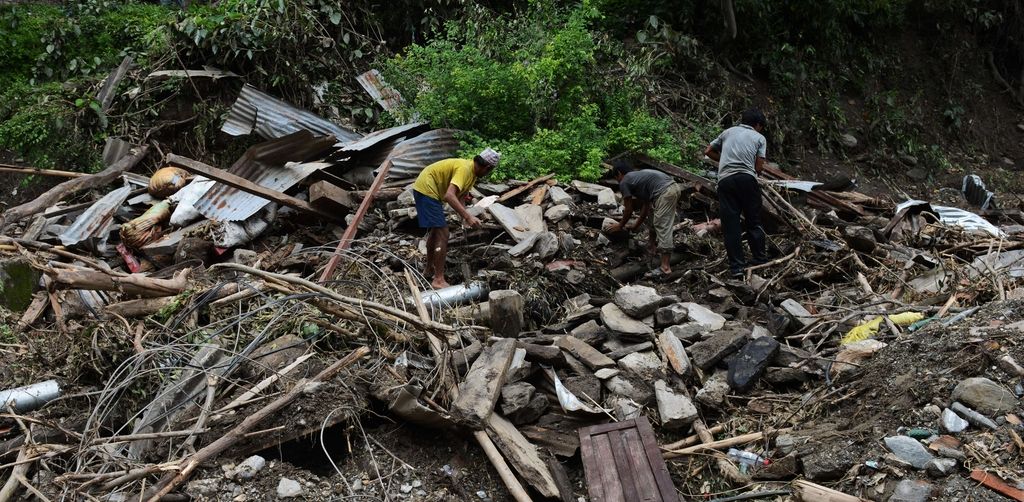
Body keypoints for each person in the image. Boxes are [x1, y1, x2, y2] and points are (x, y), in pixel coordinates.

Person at [413, 148, 500, 289]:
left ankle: (429, 270)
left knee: (436, 231)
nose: (487, 174)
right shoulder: (465, 169)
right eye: (489, 171)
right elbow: (449, 196)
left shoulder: (472, 174)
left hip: (428, 190)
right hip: (427, 189)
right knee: (443, 233)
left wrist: (464, 219)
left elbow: (460, 197)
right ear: (487, 167)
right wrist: (468, 216)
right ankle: (438, 280)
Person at [704, 108, 769, 278]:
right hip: (746, 180)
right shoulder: (759, 137)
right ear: (757, 125)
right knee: (753, 219)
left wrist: (724, 161)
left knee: (731, 225)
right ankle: (760, 259)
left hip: (725, 181)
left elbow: (708, 151)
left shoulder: (728, 132)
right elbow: (759, 167)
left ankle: (737, 268)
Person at [606, 163, 682, 277]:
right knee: (653, 217)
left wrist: (620, 226)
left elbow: (629, 210)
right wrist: (635, 226)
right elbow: (646, 208)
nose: (618, 182)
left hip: (665, 191)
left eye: (616, 179)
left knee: (662, 225)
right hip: (671, 188)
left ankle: (665, 268)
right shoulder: (639, 179)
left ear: (619, 174)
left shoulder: (625, 181)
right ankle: (651, 247)